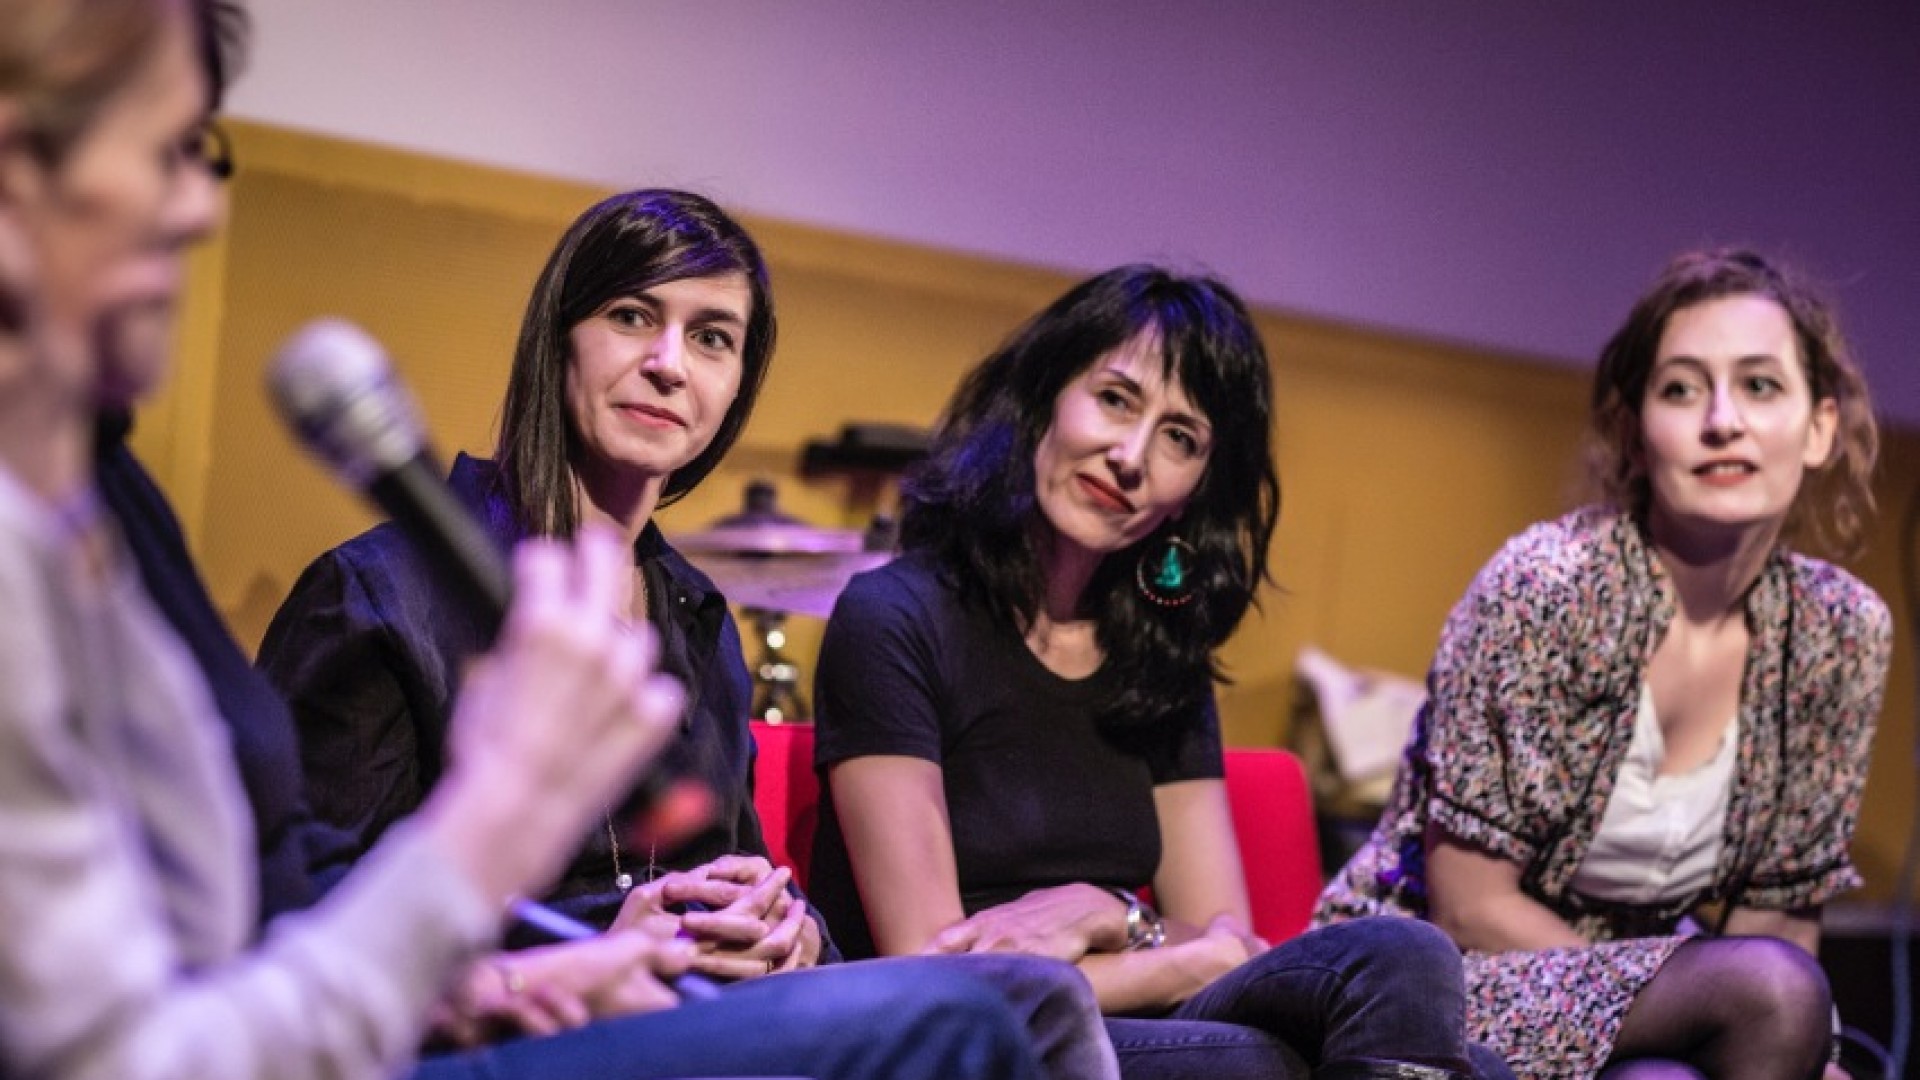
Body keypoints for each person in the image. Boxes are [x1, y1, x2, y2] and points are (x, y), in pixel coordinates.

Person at [256, 185, 1113, 1077]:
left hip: (683, 1016)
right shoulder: (377, 594)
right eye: (633, 317)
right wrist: (601, 941)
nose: (670, 366)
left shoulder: (694, 613)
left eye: (711, 338)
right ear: (558, 339)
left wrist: (789, 930)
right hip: (504, 1036)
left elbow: (738, 865)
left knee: (1034, 997)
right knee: (967, 1020)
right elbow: (301, 923)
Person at [0, 2, 699, 1077]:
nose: (201, 206)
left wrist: (495, 986)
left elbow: (265, 884)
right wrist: (498, 815)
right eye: (170, 149)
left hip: (367, 1015)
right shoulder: (370, 590)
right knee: (947, 1025)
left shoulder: (102, 494)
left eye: (205, 155)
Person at [808, 264, 1497, 1080]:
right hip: (985, 1034)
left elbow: (1227, 940)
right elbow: (938, 969)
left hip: (1142, 1015)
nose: (1131, 457)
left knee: (1412, 959)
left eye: (1181, 439)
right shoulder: (895, 618)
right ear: (1044, 396)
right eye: (1115, 399)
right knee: (1262, 1065)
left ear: (1194, 493)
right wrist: (1176, 960)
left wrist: (1106, 913)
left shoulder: (1164, 658)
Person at [1314, 249, 1891, 1080]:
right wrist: (1733, 1004)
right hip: (1432, 977)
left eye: (1760, 385)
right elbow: (1471, 907)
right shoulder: (1548, 586)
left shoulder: (1838, 632)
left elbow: (1777, 926)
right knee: (1765, 998)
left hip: (1671, 995)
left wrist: (1795, 1046)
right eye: (1682, 389)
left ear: (1820, 427)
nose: (1722, 420)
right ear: (1634, 431)